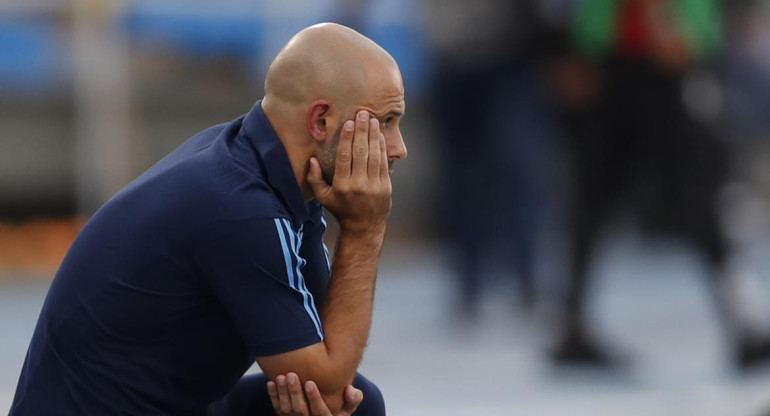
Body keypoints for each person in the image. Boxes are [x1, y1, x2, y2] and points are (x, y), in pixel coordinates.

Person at [9, 22, 406, 415]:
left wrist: (322, 381)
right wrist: (363, 230)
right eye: (386, 121)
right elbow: (328, 386)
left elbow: (325, 350)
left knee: (356, 403)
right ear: (320, 121)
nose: (399, 148)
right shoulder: (239, 209)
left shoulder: (261, 167)